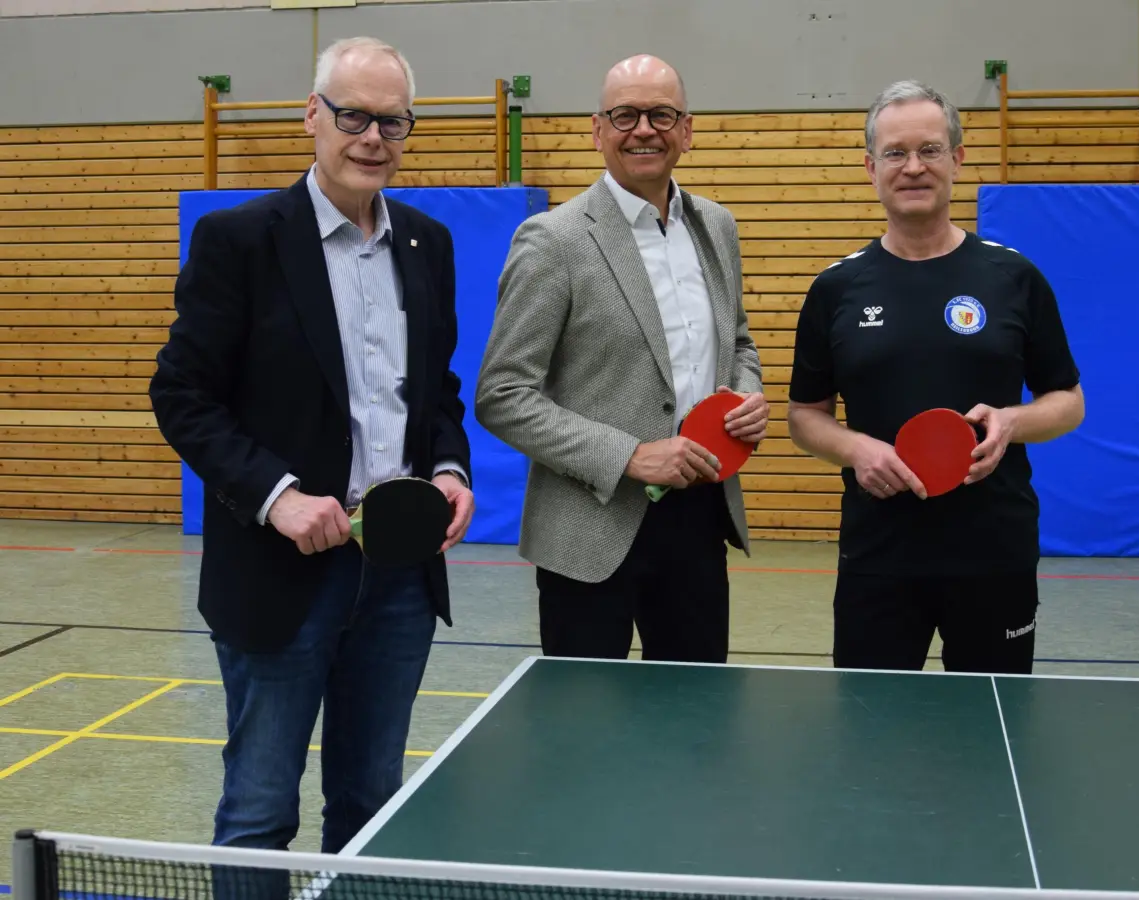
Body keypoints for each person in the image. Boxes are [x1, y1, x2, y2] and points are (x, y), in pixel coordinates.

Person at [147, 36, 475, 858]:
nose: (372, 137)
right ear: (312, 117)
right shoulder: (241, 240)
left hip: (398, 572)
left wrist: (448, 466)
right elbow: (182, 396)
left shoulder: (425, 243)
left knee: (372, 803)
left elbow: (433, 389)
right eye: (353, 116)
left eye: (392, 122)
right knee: (260, 813)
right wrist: (279, 496)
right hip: (277, 575)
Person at [786, 80, 1085, 675]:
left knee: (990, 730)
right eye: (896, 153)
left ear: (958, 159)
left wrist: (1012, 421)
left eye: (930, 149)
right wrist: (856, 449)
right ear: (871, 167)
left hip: (994, 550)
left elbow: (1068, 401)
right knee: (873, 731)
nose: (913, 167)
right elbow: (804, 417)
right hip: (879, 552)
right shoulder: (836, 289)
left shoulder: (1013, 276)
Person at [475, 54, 766, 664]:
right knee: (584, 735)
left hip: (700, 516)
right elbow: (502, 394)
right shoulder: (553, 241)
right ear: (598, 130)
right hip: (589, 529)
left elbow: (737, 340)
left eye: (661, 114)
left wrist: (743, 398)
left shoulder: (717, 226)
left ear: (686, 130)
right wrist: (629, 455)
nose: (644, 129)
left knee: (695, 723)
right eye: (625, 114)